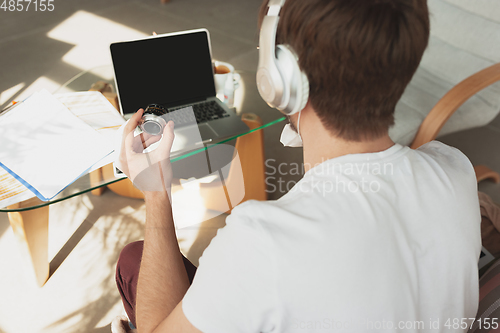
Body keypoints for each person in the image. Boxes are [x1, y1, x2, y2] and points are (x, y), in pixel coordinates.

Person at [115, 0, 483, 332]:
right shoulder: (455, 171)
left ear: (281, 80)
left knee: (135, 260)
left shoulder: (261, 241)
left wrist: (155, 188)